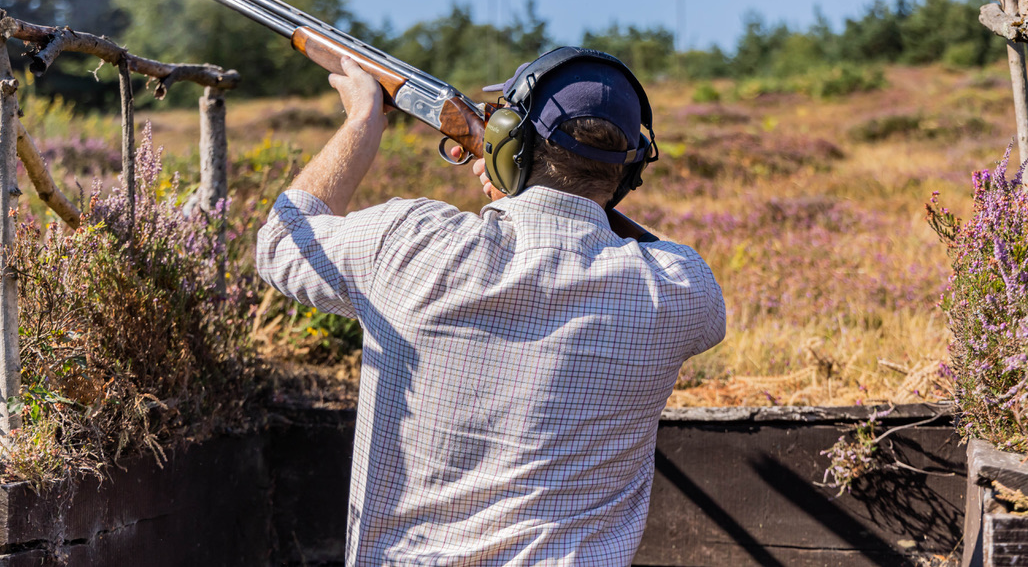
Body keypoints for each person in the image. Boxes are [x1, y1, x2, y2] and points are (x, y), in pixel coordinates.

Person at [256, 48, 727, 566]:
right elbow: (655, 260)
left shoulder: (411, 241)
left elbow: (282, 242)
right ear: (633, 168)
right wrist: (554, 192)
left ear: (508, 140)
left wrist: (363, 120)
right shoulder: (681, 289)